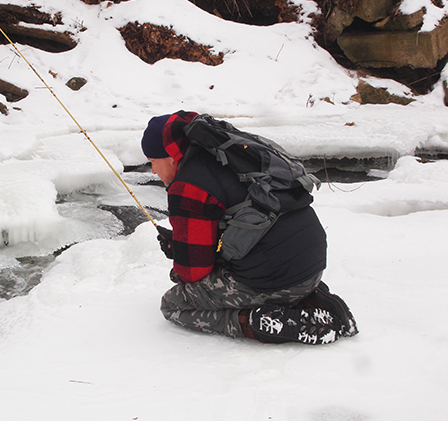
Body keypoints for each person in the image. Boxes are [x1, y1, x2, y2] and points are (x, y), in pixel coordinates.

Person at [141, 111, 358, 344]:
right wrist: (181, 243)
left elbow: (192, 273)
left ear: (171, 156)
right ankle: (310, 300)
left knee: (174, 304)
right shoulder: (225, 155)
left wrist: (182, 258)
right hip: (312, 266)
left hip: (278, 278)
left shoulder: (188, 185)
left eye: (153, 162)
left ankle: (262, 322)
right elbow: (238, 228)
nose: (153, 171)